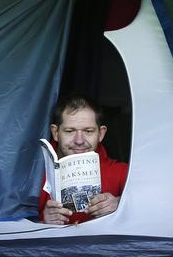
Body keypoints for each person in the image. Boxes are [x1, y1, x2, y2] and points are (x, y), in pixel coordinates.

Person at [39, 94, 128, 225]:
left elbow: (155, 201)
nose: (79, 141)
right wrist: (41, 220)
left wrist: (121, 203)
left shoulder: (122, 171)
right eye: (70, 131)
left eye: (88, 131)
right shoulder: (33, 174)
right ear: (56, 133)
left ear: (101, 133)